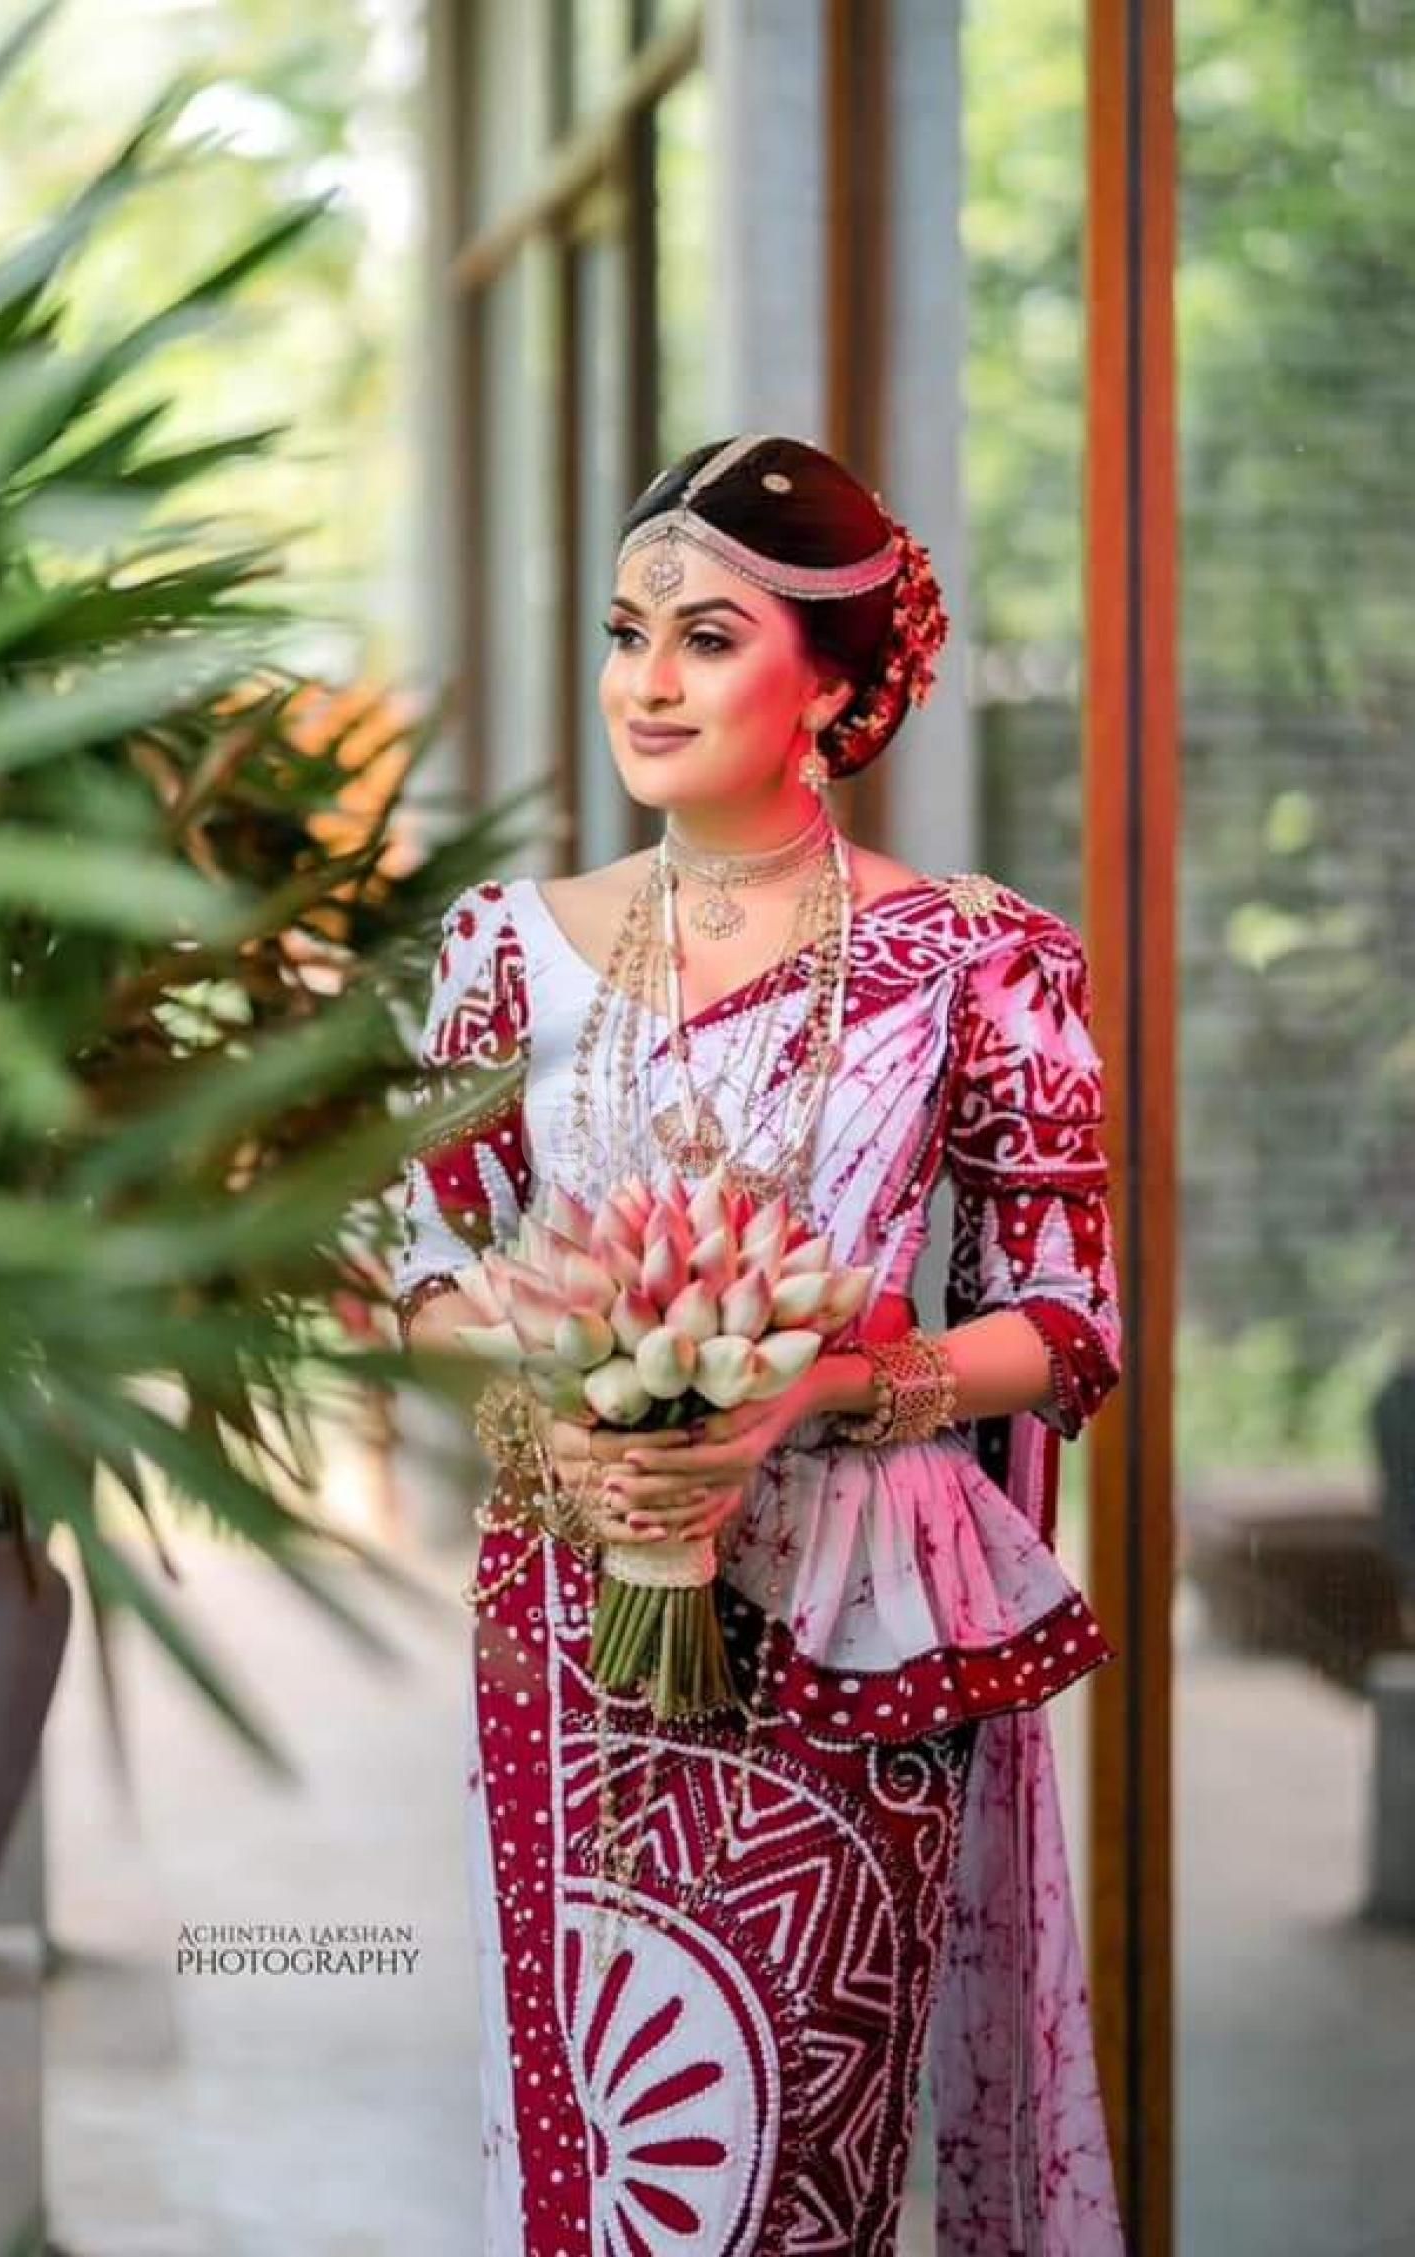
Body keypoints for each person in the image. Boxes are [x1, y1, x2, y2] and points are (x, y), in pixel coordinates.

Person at [395, 434, 1126, 2255]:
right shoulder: (505, 953)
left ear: (835, 685)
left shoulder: (974, 963)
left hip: (851, 1626)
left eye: (707, 638)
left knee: (796, 2166)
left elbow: (1069, 1325)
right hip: (574, 1615)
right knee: (600, 2148)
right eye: (627, 631)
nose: (647, 679)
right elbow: (422, 1274)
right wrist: (556, 1415)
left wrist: (822, 1384)